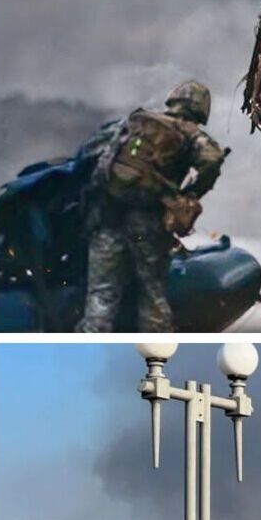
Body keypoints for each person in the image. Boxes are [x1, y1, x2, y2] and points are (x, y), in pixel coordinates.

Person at [75, 80, 228, 332]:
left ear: (173, 99)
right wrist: (190, 194)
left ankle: (89, 349)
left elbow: (93, 151)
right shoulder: (191, 134)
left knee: (101, 297)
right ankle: (154, 350)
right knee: (152, 296)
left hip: (107, 217)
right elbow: (212, 159)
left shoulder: (137, 121)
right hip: (147, 224)